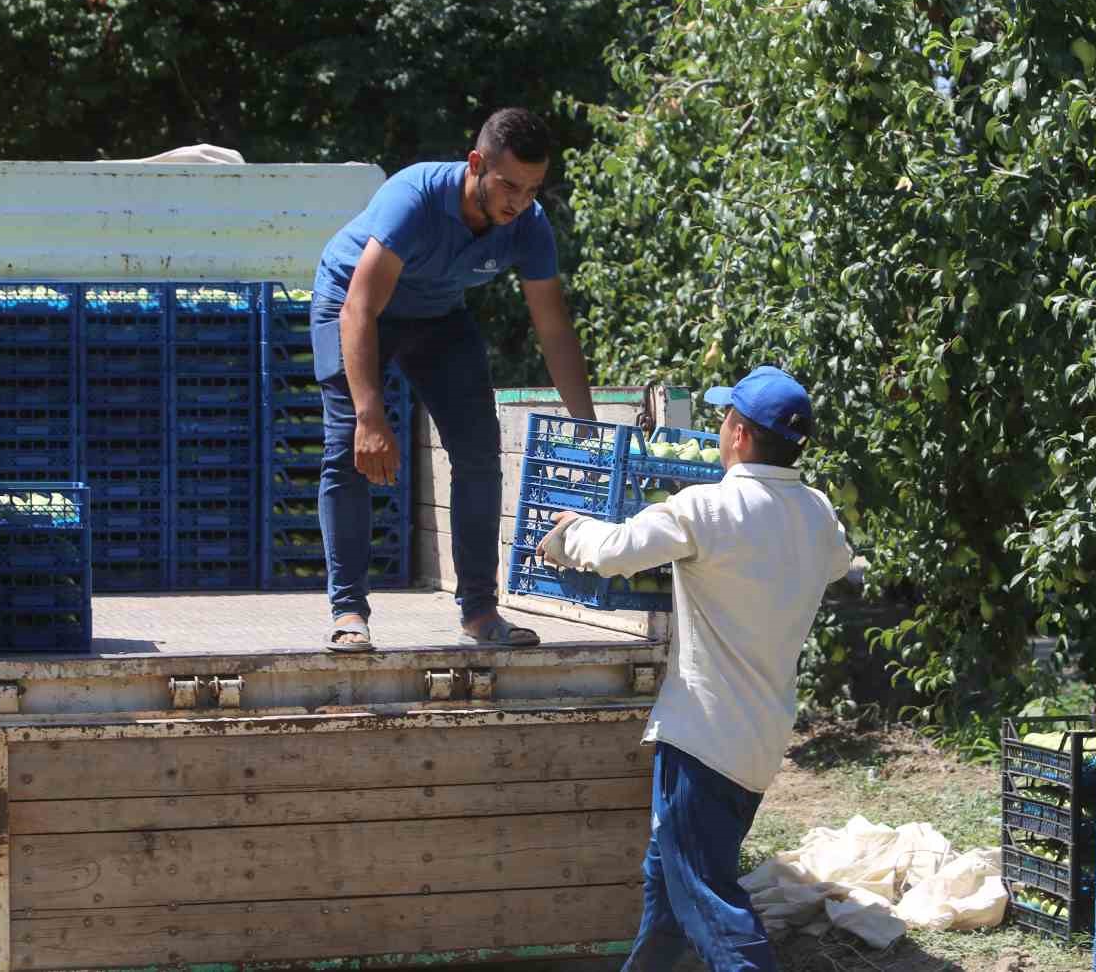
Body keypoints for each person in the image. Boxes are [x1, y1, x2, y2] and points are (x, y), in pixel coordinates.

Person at [537, 365, 854, 972]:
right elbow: (838, 561)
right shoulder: (817, 514)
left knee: (712, 907)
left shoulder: (706, 508)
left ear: (737, 433)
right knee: (669, 888)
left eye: (724, 417)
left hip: (702, 744)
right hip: (759, 743)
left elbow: (614, 552)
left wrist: (570, 534)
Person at [310, 107, 596, 652]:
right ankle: (349, 610)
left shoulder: (528, 226)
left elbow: (554, 330)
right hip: (352, 303)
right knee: (349, 447)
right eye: (509, 185)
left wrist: (586, 426)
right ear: (476, 164)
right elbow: (359, 310)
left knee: (480, 453)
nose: (519, 202)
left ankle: (480, 611)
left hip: (438, 316)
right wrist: (371, 416)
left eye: (532, 189)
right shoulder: (414, 198)